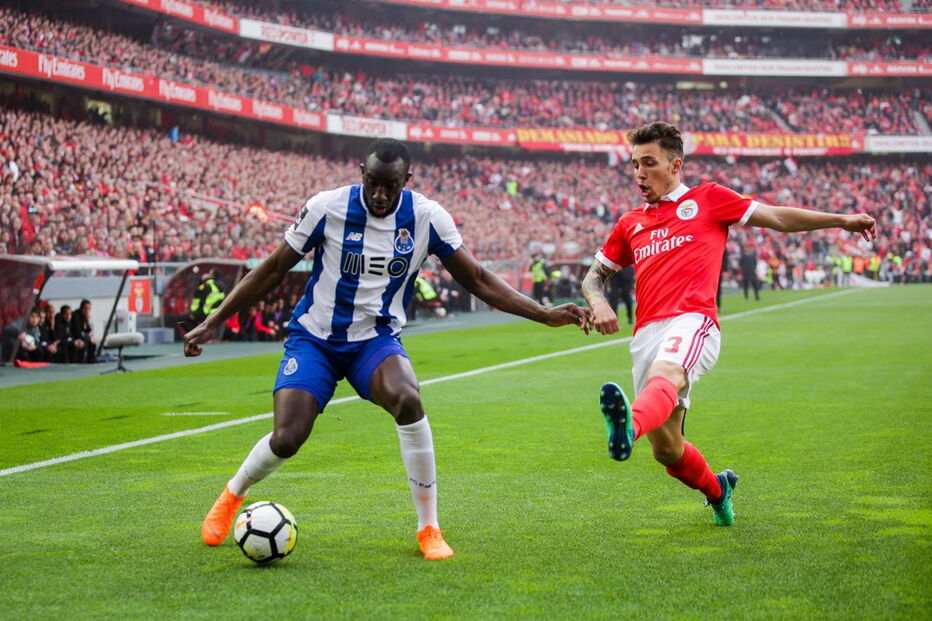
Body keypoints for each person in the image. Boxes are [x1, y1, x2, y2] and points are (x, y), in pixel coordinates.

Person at [183, 139, 590, 560]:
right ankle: (234, 494)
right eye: (372, 183)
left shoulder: (427, 218)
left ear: (405, 181)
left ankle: (428, 527)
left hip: (374, 340)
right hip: (314, 339)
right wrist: (213, 321)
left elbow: (480, 280)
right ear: (361, 172)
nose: (379, 195)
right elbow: (271, 269)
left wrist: (543, 314)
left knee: (407, 398)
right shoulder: (327, 207)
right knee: (287, 438)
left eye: (390, 186)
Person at [581, 122, 876, 527]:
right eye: (634, 165)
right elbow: (593, 277)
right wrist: (597, 303)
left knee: (666, 375)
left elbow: (776, 216)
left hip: (693, 320)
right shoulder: (630, 222)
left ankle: (625, 428)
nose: (639, 174)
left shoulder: (709, 199)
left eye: (649, 164)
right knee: (667, 450)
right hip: (646, 333)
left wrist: (841, 220)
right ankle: (719, 490)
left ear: (675, 165)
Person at [70, 299, 97, 363]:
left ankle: (90, 361)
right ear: (81, 308)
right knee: (85, 341)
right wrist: (88, 337)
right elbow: (78, 333)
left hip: (82, 337)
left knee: (93, 343)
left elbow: (89, 331)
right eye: (85, 308)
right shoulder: (75, 316)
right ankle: (81, 362)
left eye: (89, 309)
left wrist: (87, 321)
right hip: (74, 337)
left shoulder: (84, 317)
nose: (87, 311)